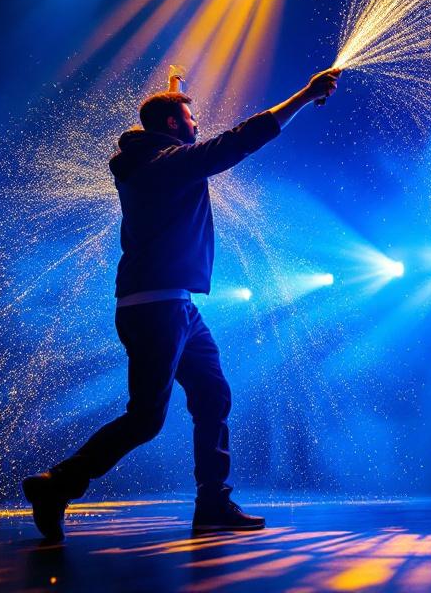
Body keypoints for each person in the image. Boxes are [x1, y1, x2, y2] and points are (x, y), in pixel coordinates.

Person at [22, 67, 341, 541]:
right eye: (190, 119)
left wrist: (175, 100)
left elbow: (214, 143)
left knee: (212, 394)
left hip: (175, 306)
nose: (197, 126)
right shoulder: (162, 165)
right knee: (146, 418)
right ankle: (58, 485)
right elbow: (239, 140)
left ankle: (213, 502)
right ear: (172, 127)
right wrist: (303, 94)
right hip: (156, 308)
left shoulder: (157, 160)